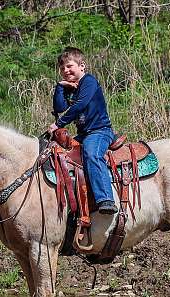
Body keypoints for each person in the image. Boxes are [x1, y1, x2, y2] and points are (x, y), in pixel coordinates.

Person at [47, 47, 118, 215]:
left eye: (70, 66)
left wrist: (59, 124)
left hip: (99, 131)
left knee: (92, 153)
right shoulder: (71, 88)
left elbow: (80, 105)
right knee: (56, 153)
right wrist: (60, 87)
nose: (65, 70)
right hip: (84, 134)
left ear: (82, 66)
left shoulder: (89, 82)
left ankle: (105, 199)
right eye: (62, 68)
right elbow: (59, 107)